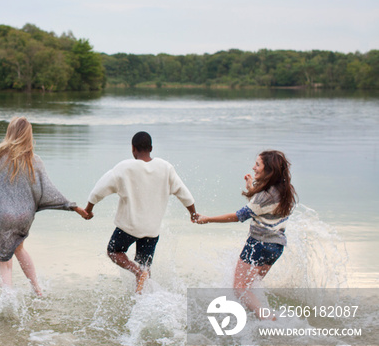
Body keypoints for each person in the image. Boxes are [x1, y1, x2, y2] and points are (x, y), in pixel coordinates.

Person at [0, 117, 89, 296]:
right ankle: (37, 290)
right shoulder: (34, 160)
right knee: (19, 247)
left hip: (3, 216)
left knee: (5, 264)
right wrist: (73, 207)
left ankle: (8, 302)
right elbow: (49, 190)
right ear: (28, 135)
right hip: (24, 216)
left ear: (10, 133)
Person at [83, 131, 197, 293]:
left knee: (114, 251)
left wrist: (89, 210)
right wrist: (193, 213)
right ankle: (143, 297)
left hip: (129, 228)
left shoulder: (124, 168)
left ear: (133, 148)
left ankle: (137, 273)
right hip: (152, 230)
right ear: (151, 148)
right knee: (145, 264)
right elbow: (184, 194)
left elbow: (98, 190)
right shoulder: (166, 168)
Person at [196, 150, 297, 319]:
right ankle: (258, 317)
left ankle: (266, 317)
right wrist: (251, 186)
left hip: (258, 245)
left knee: (239, 288)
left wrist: (208, 219)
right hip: (276, 247)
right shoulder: (284, 191)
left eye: (258, 164)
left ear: (269, 170)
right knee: (250, 287)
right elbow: (260, 207)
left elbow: (238, 216)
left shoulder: (264, 196)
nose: (253, 167)